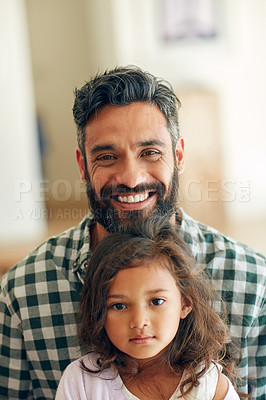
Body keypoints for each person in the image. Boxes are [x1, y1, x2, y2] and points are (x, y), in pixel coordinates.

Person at [0, 65, 265, 399]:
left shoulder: (253, 283)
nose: (131, 177)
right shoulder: (22, 295)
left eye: (150, 152)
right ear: (82, 167)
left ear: (178, 155)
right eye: (108, 157)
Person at [55, 220, 241, 400]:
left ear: (185, 304)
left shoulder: (208, 385)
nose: (139, 321)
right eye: (119, 306)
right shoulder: (82, 382)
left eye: (156, 301)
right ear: (99, 311)